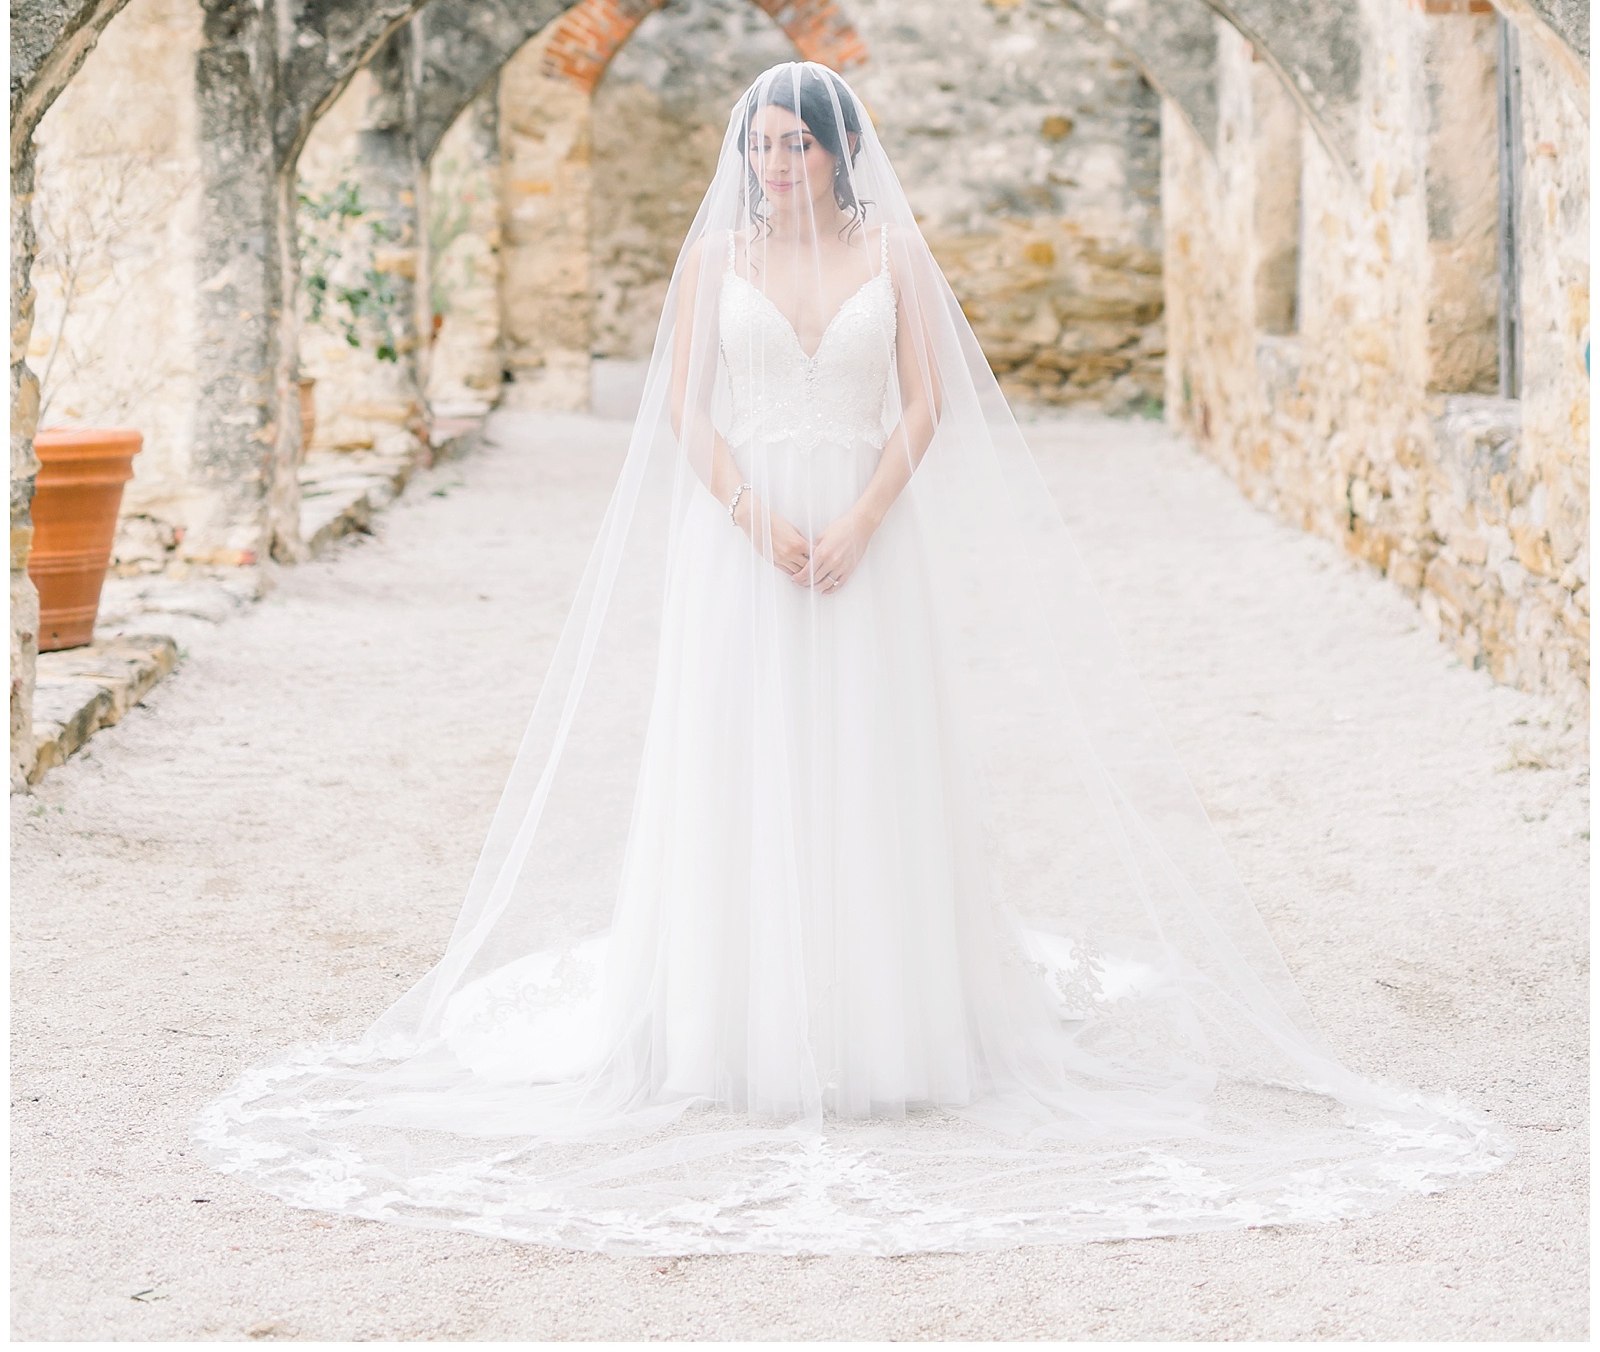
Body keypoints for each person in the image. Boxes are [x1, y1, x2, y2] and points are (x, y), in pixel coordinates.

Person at [198, 62, 1503, 1251]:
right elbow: (684, 411)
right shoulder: (714, 261)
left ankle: (890, 1012)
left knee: (871, 761)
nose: (773, 167)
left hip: (873, 539)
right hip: (743, 539)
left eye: (792, 147)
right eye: (757, 146)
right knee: (741, 756)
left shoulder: (894, 252)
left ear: (836, 152)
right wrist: (760, 517)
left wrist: (864, 517)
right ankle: (735, 1017)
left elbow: (929, 400)